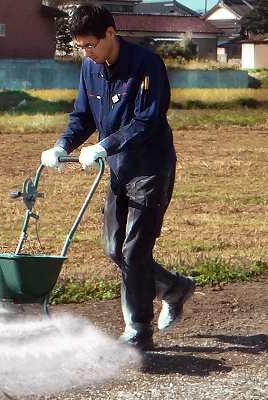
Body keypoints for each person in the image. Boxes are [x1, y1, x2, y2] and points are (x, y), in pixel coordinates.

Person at [41, 3, 195, 351]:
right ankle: (174, 288)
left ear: (111, 34)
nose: (86, 52)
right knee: (114, 248)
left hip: (150, 168)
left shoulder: (146, 65)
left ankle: (138, 330)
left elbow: (147, 121)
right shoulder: (89, 68)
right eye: (81, 47)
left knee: (135, 250)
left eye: (90, 45)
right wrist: (62, 144)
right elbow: (83, 115)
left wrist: (105, 145)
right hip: (119, 168)